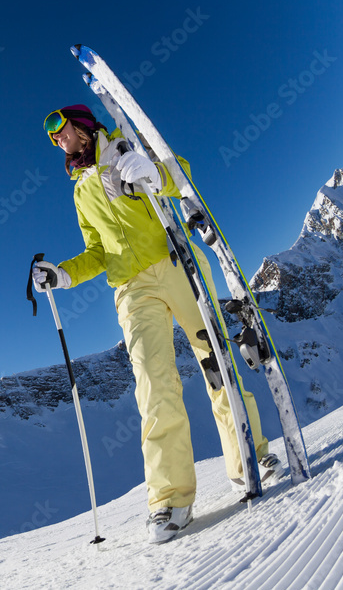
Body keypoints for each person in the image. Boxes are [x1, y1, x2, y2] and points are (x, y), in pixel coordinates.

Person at [31, 104, 281, 544]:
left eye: (61, 128)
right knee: (153, 382)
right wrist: (64, 274)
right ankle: (171, 499)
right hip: (131, 288)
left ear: (84, 123)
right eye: (52, 137)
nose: (57, 139)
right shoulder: (79, 191)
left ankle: (251, 457)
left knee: (215, 362)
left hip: (176, 263)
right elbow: (96, 251)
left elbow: (180, 174)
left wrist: (154, 171)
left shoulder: (127, 146)